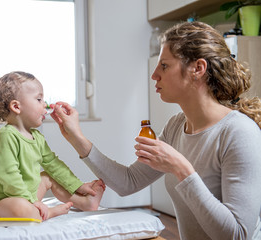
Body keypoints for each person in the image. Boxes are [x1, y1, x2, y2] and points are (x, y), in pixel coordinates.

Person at [51, 22, 261, 239]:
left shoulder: (239, 132)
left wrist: (182, 169)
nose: (154, 74)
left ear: (198, 69)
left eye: (164, 65)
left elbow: (238, 235)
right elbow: (128, 182)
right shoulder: (176, 126)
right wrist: (76, 137)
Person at [0, 71, 105, 221]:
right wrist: (32, 202)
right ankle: (47, 213)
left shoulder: (37, 137)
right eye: (39, 99)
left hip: (28, 197)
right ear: (16, 106)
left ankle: (85, 203)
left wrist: (78, 186)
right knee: (21, 207)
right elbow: (9, 177)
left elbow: (54, 165)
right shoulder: (6, 137)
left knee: (49, 176)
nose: (45, 104)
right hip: (3, 201)